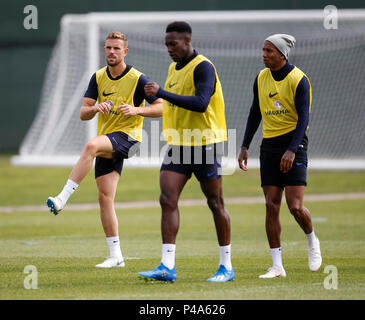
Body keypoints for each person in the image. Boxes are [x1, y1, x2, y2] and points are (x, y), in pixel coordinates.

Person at [47, 31, 163, 268]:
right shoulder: (98, 77)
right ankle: (116, 256)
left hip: (130, 139)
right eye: (108, 48)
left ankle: (62, 198)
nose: (111, 52)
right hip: (110, 141)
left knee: (91, 146)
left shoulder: (139, 79)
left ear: (125, 52)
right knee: (105, 199)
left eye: (116, 48)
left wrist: (137, 110)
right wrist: (96, 108)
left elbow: (162, 108)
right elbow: (83, 113)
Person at [138, 21, 234, 283]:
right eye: (167, 44)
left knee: (215, 203)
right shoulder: (172, 67)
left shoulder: (203, 66)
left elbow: (202, 104)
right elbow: (172, 103)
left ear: (188, 40)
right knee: (167, 199)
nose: (169, 49)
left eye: (174, 44)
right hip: (179, 145)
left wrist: (162, 94)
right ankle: (167, 266)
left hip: (204, 144)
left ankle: (226, 267)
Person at [238, 34, 322, 278]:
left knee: (295, 207)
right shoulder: (261, 77)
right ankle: (277, 266)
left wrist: (292, 149)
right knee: (271, 204)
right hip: (270, 146)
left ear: (282, 54)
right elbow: (256, 112)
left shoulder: (299, 80)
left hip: (294, 143)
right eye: (263, 50)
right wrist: (245, 146)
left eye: (269, 50)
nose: (263, 54)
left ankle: (311, 239)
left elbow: (304, 119)